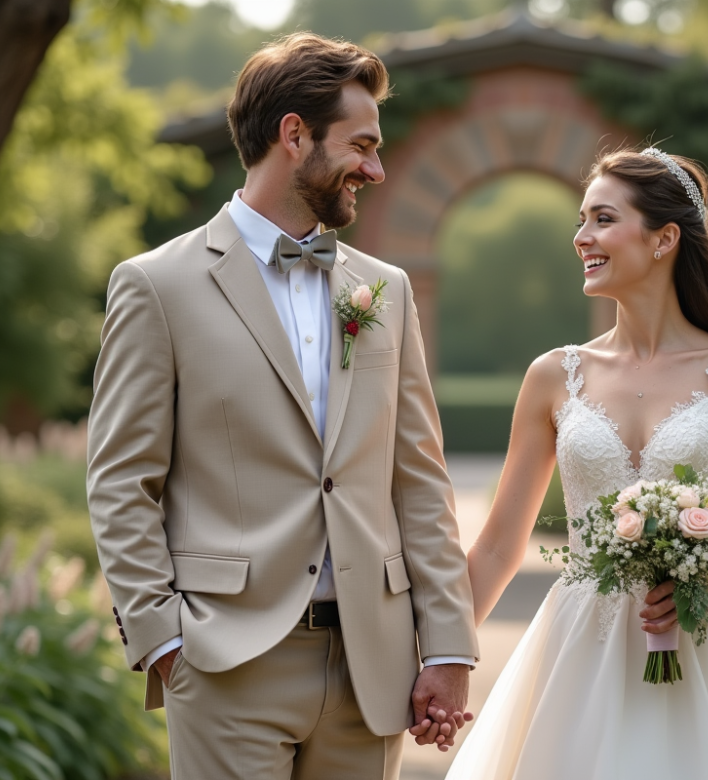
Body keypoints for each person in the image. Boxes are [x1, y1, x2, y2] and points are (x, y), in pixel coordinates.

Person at [86, 33, 478, 780]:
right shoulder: (155, 286)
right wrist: (164, 641)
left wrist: (449, 647)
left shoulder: (385, 291)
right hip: (226, 661)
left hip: (372, 666)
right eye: (361, 144)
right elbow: (120, 479)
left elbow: (418, 478)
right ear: (293, 135)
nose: (377, 168)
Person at [446, 147, 708, 778]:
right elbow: (495, 548)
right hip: (577, 655)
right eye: (581, 220)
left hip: (700, 649)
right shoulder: (553, 376)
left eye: (602, 219)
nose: (581, 237)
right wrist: (441, 655)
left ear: (664, 238)